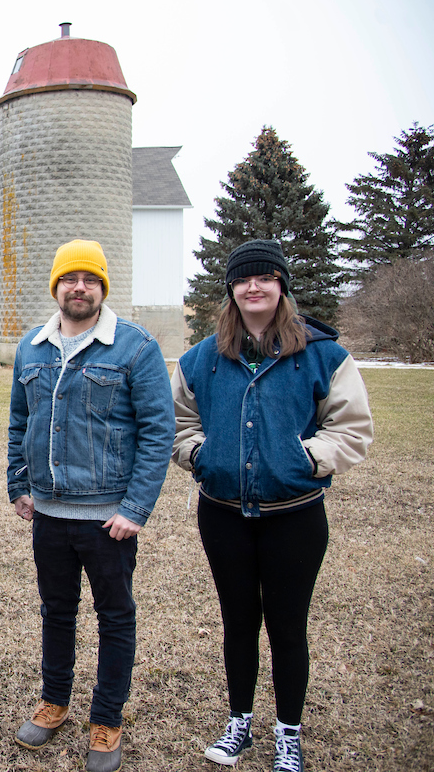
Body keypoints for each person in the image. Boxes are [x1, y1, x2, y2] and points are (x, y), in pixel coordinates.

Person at [172, 240, 372, 772]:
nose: (253, 287)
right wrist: (201, 454)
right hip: (222, 514)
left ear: (281, 285)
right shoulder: (202, 359)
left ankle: (288, 731)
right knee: (238, 621)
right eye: (243, 280)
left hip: (296, 518)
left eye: (264, 278)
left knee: (287, 625)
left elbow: (350, 429)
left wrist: (304, 458)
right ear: (231, 291)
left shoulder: (323, 354)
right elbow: (178, 423)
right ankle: (240, 722)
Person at [8, 240, 174, 772]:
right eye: (69, 279)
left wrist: (135, 508)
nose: (79, 288)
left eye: (91, 280)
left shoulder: (135, 347)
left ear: (103, 287)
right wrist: (19, 484)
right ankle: (55, 701)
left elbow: (158, 431)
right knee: (56, 612)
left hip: (109, 521)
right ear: (55, 286)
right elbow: (19, 423)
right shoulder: (31, 347)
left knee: (114, 617)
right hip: (51, 516)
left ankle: (106, 719)